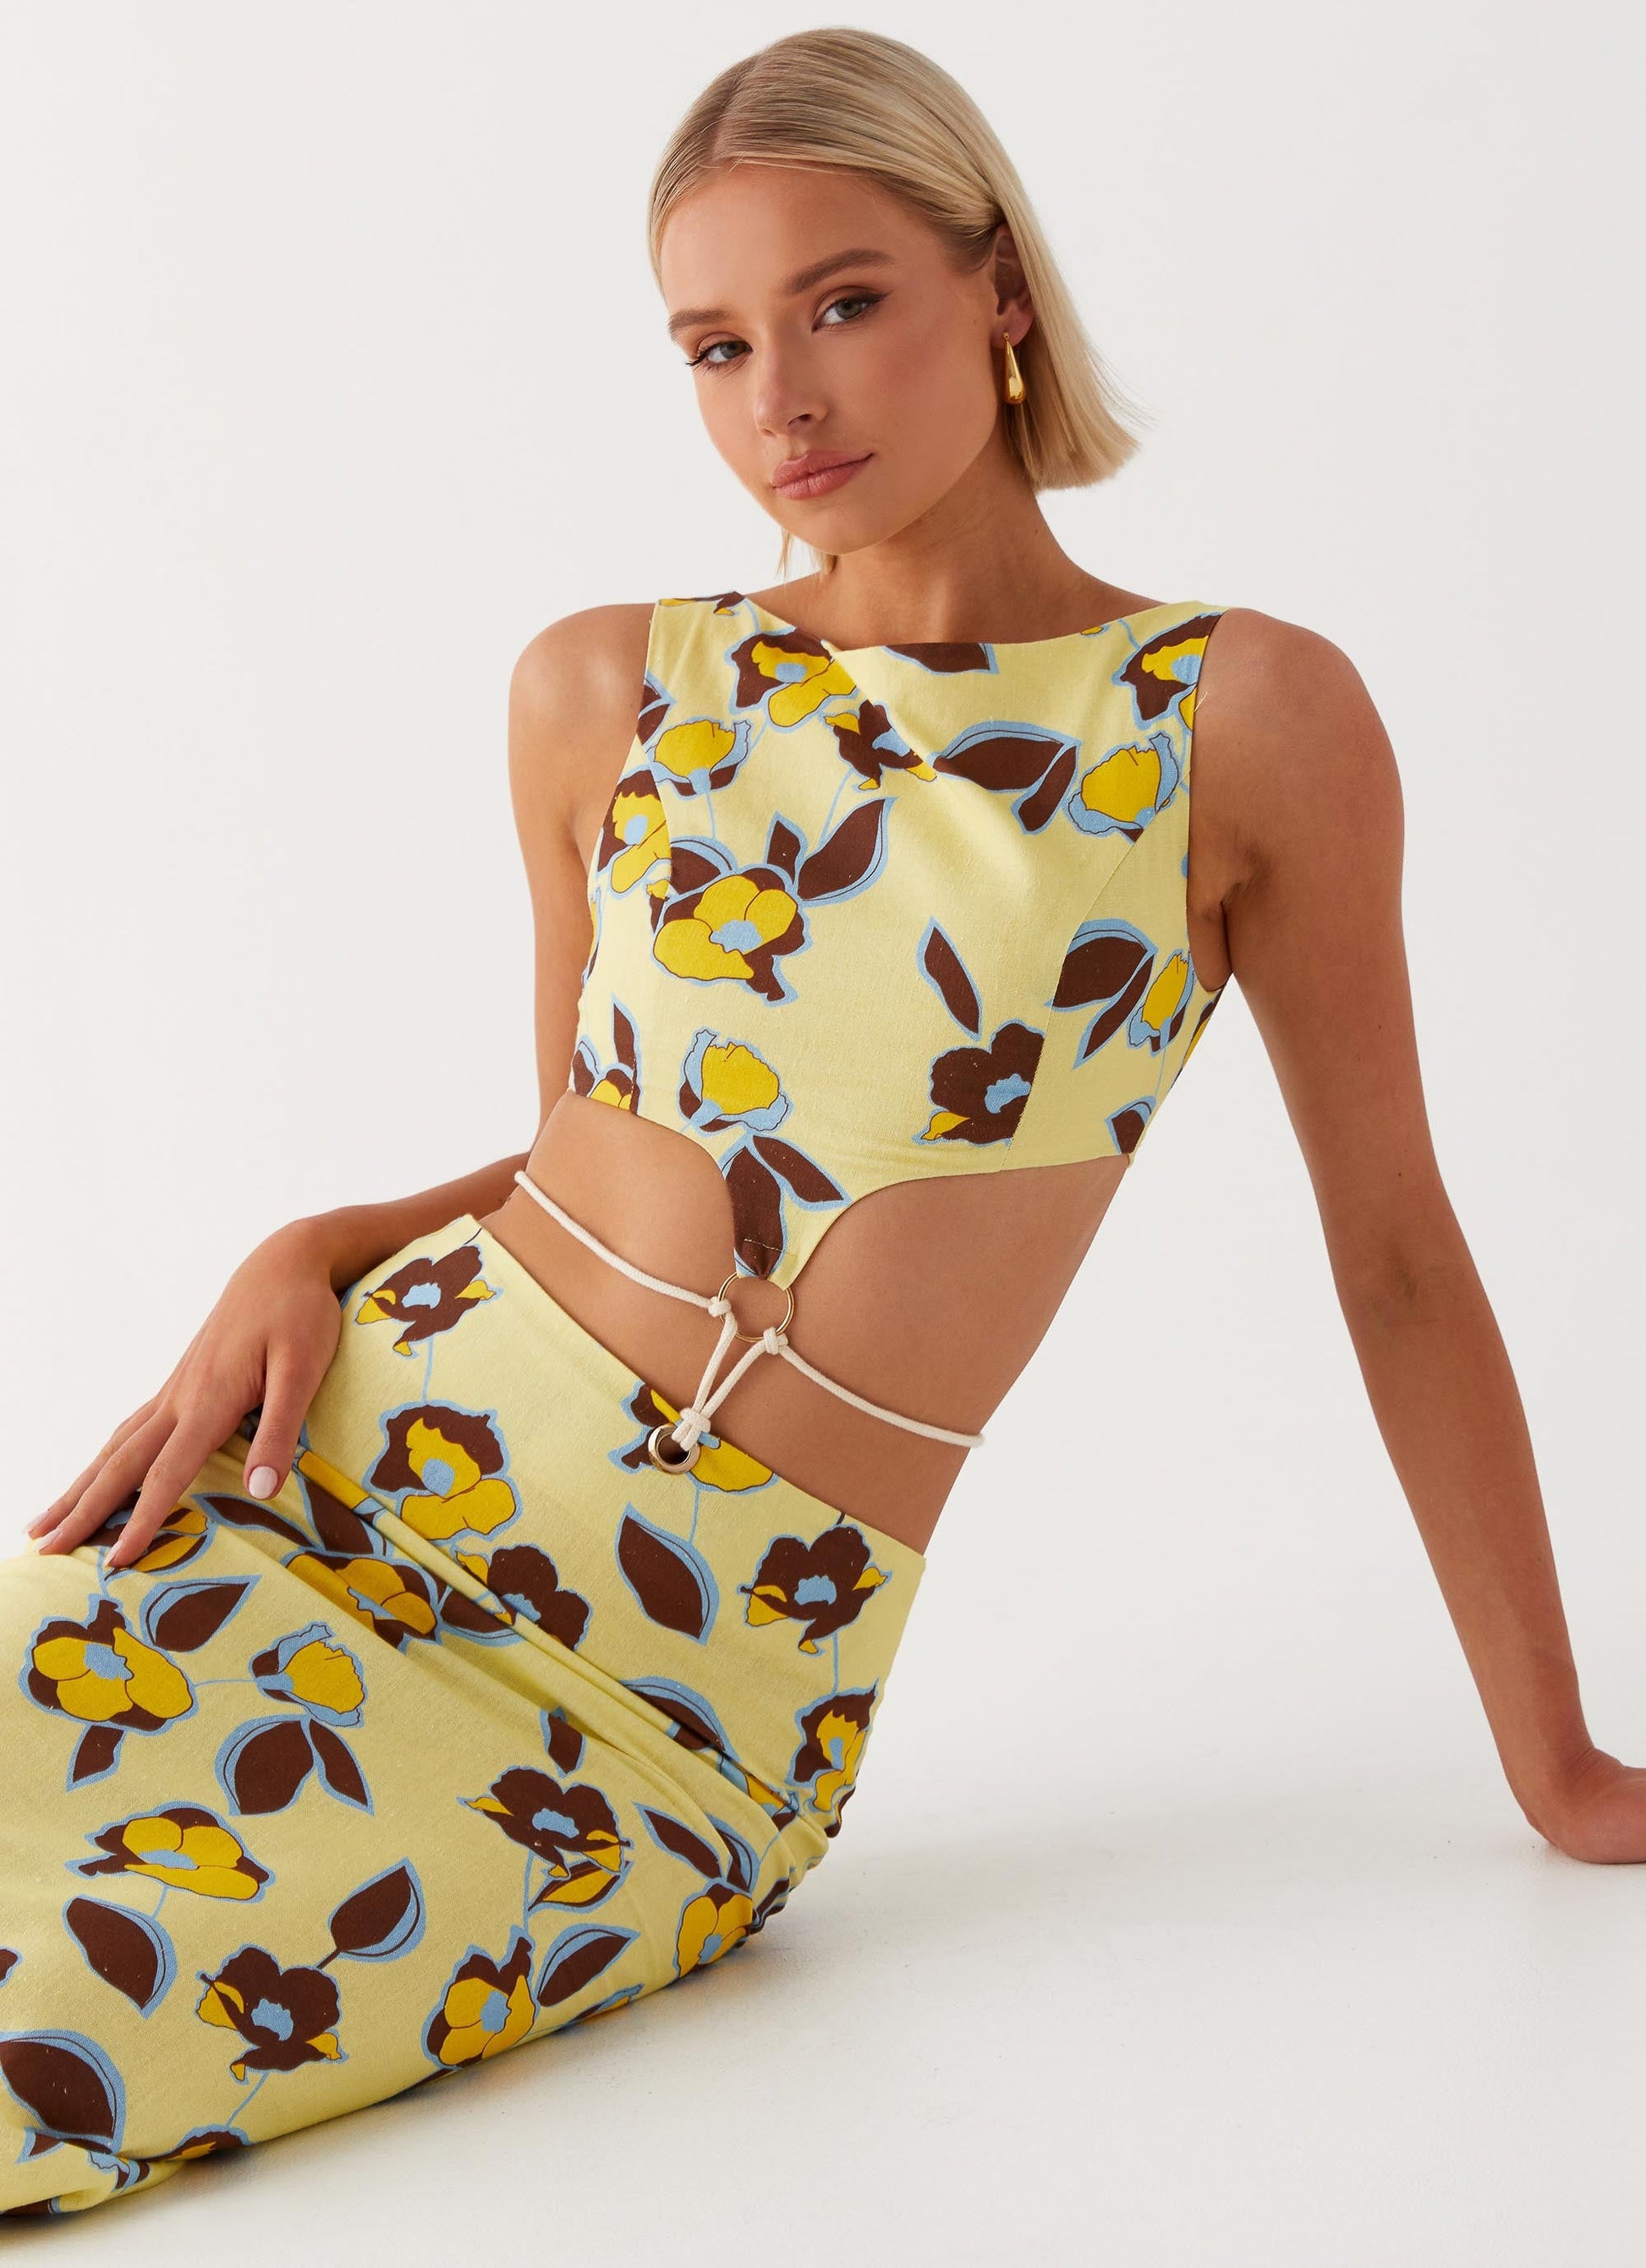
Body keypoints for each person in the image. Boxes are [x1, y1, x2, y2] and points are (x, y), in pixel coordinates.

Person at [4, 22, 1639, 2221]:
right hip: (323, 1491)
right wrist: (306, 1245)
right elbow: (581, 1152)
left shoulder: (1236, 719)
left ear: (999, 287)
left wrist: (1558, 1766)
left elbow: (1400, 1258)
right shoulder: (608, 684)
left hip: (665, 1714)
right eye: (714, 344)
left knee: (55, 2046)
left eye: (843, 303)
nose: (778, 396)